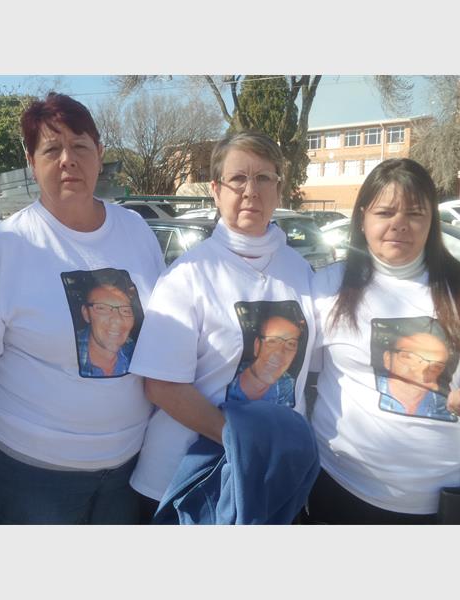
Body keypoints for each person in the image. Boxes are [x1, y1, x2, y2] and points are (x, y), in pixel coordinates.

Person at [0, 92, 165, 524]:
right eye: (51, 149)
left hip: (129, 464)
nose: (67, 160)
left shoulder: (135, 230)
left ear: (100, 154)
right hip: (32, 473)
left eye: (80, 146)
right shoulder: (3, 246)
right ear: (30, 162)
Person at [305, 158, 460, 525]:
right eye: (385, 212)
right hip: (339, 486)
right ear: (363, 217)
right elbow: (302, 377)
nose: (399, 224)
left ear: (431, 221)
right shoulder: (326, 287)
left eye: (414, 213)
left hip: (444, 501)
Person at [126, 131, 317, 517]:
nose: (251, 191)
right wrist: (239, 439)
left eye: (264, 178)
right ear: (215, 190)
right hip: (187, 482)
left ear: (279, 189)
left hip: (267, 474)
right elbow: (162, 386)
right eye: (238, 178)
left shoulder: (300, 271)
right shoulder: (189, 275)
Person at [376, 321, 453, 421]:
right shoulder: (364, 392)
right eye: (408, 357)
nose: (421, 370)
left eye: (435, 366)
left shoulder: (445, 406)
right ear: (387, 359)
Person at [227, 313, 303, 406]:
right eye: (272, 341)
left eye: (290, 344)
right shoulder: (225, 376)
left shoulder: (290, 387)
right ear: (257, 345)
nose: (279, 352)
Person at [77, 275, 137, 378]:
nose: (117, 319)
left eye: (125, 310)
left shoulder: (139, 355)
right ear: (86, 313)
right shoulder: (61, 353)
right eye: (102, 308)